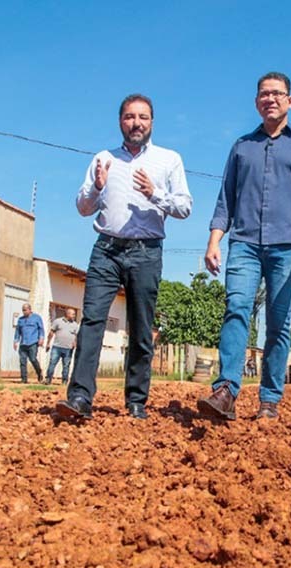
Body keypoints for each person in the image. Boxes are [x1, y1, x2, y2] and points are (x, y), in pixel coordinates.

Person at [197, 71, 291, 420]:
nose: (270, 99)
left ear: (290, 101)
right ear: (256, 101)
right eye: (264, 94)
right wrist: (214, 240)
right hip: (243, 243)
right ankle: (226, 389)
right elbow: (225, 199)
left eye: (277, 93)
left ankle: (269, 398)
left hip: (287, 246)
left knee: (277, 321)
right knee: (236, 308)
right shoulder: (242, 147)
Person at [55, 94, 192, 421]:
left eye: (143, 117)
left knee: (142, 328)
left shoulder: (168, 160)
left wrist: (153, 193)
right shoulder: (103, 159)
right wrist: (97, 188)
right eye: (130, 117)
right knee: (92, 322)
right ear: (121, 121)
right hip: (107, 250)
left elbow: (185, 207)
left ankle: (136, 401)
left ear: (152, 123)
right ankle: (80, 398)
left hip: (147, 252)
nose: (136, 123)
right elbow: (82, 207)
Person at [45, 308, 79, 385]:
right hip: (57, 347)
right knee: (52, 363)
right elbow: (51, 332)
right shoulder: (58, 321)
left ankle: (64, 381)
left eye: (74, 314)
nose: (74, 315)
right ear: (67, 314)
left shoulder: (75, 325)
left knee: (66, 366)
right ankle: (48, 379)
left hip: (68, 349)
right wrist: (48, 343)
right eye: (72, 314)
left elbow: (77, 336)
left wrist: (75, 342)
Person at [14, 303, 45, 384]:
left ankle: (39, 373)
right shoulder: (20, 320)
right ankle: (24, 379)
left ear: (30, 310)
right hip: (23, 343)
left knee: (33, 359)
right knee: (22, 361)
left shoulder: (37, 318)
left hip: (33, 342)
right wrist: (15, 341)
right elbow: (18, 331)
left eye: (25, 310)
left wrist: (41, 338)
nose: (24, 312)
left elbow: (41, 329)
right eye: (23, 310)